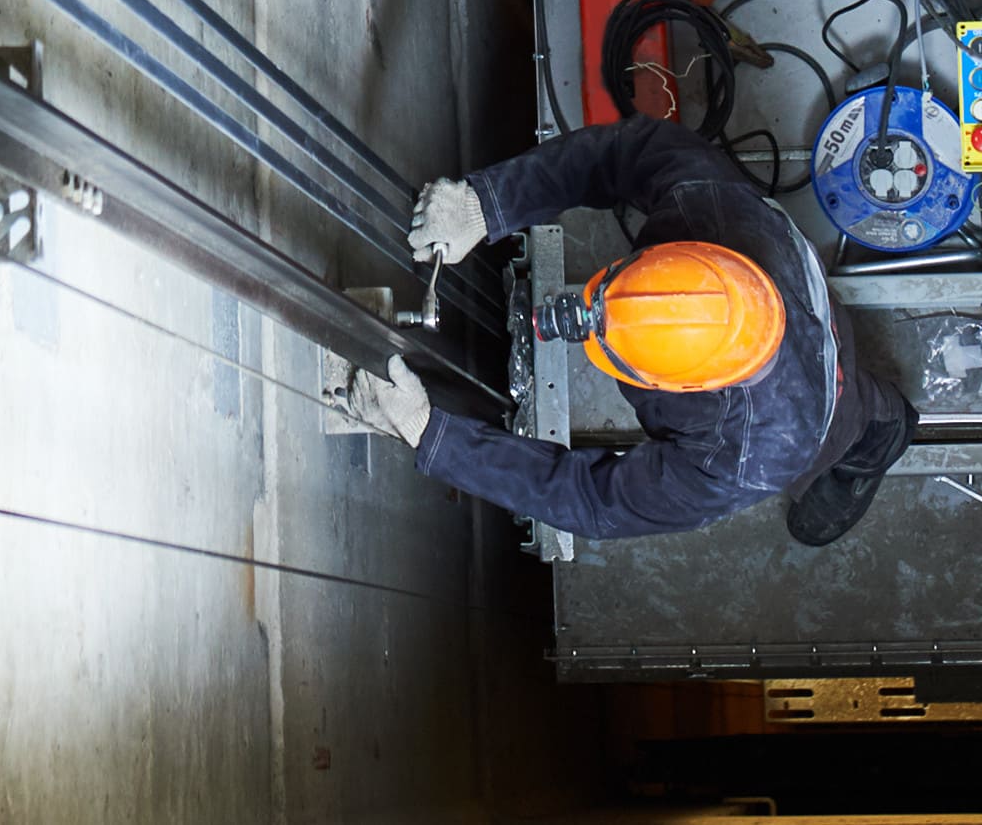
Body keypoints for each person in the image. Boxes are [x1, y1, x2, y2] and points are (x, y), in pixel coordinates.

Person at [341, 113, 915, 545]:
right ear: (683, 255)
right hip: (812, 319)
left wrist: (431, 435)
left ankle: (883, 435)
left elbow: (592, 499)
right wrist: (485, 206)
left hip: (820, 402)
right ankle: (882, 416)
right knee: (842, 372)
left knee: (849, 414)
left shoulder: (748, 456)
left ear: (684, 386)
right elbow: (617, 155)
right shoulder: (714, 209)